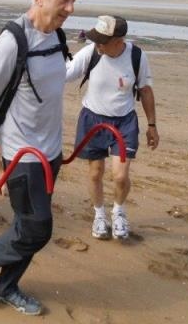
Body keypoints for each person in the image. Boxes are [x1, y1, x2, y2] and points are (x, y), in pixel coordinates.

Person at [0, 0, 78, 316]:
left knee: (26, 226)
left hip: (51, 152)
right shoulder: (11, 44)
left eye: (74, 0)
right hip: (22, 156)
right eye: (64, 0)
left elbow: (57, 81)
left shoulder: (58, 37)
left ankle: (6, 285)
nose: (70, 9)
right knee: (37, 229)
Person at [65, 15, 159, 240]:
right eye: (95, 39)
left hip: (124, 122)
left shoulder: (136, 56)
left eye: (102, 41)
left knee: (119, 176)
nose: (97, 44)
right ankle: (99, 215)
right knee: (95, 173)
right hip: (92, 119)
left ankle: (118, 212)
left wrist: (152, 125)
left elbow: (145, 90)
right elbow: (65, 73)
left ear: (119, 40)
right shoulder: (91, 53)